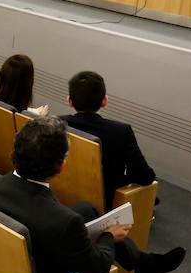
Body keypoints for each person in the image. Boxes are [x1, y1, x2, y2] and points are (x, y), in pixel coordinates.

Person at [0, 116, 185, 273]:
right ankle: (144, 264)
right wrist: (109, 236)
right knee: (96, 228)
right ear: (61, 166)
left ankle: (143, 263)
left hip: (5, 261)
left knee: (86, 210)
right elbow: (99, 268)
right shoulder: (64, 222)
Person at [59, 71, 155, 206]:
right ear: (104, 101)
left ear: (69, 100)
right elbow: (145, 177)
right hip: (106, 200)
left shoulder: (57, 124)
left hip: (64, 192)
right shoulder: (121, 132)